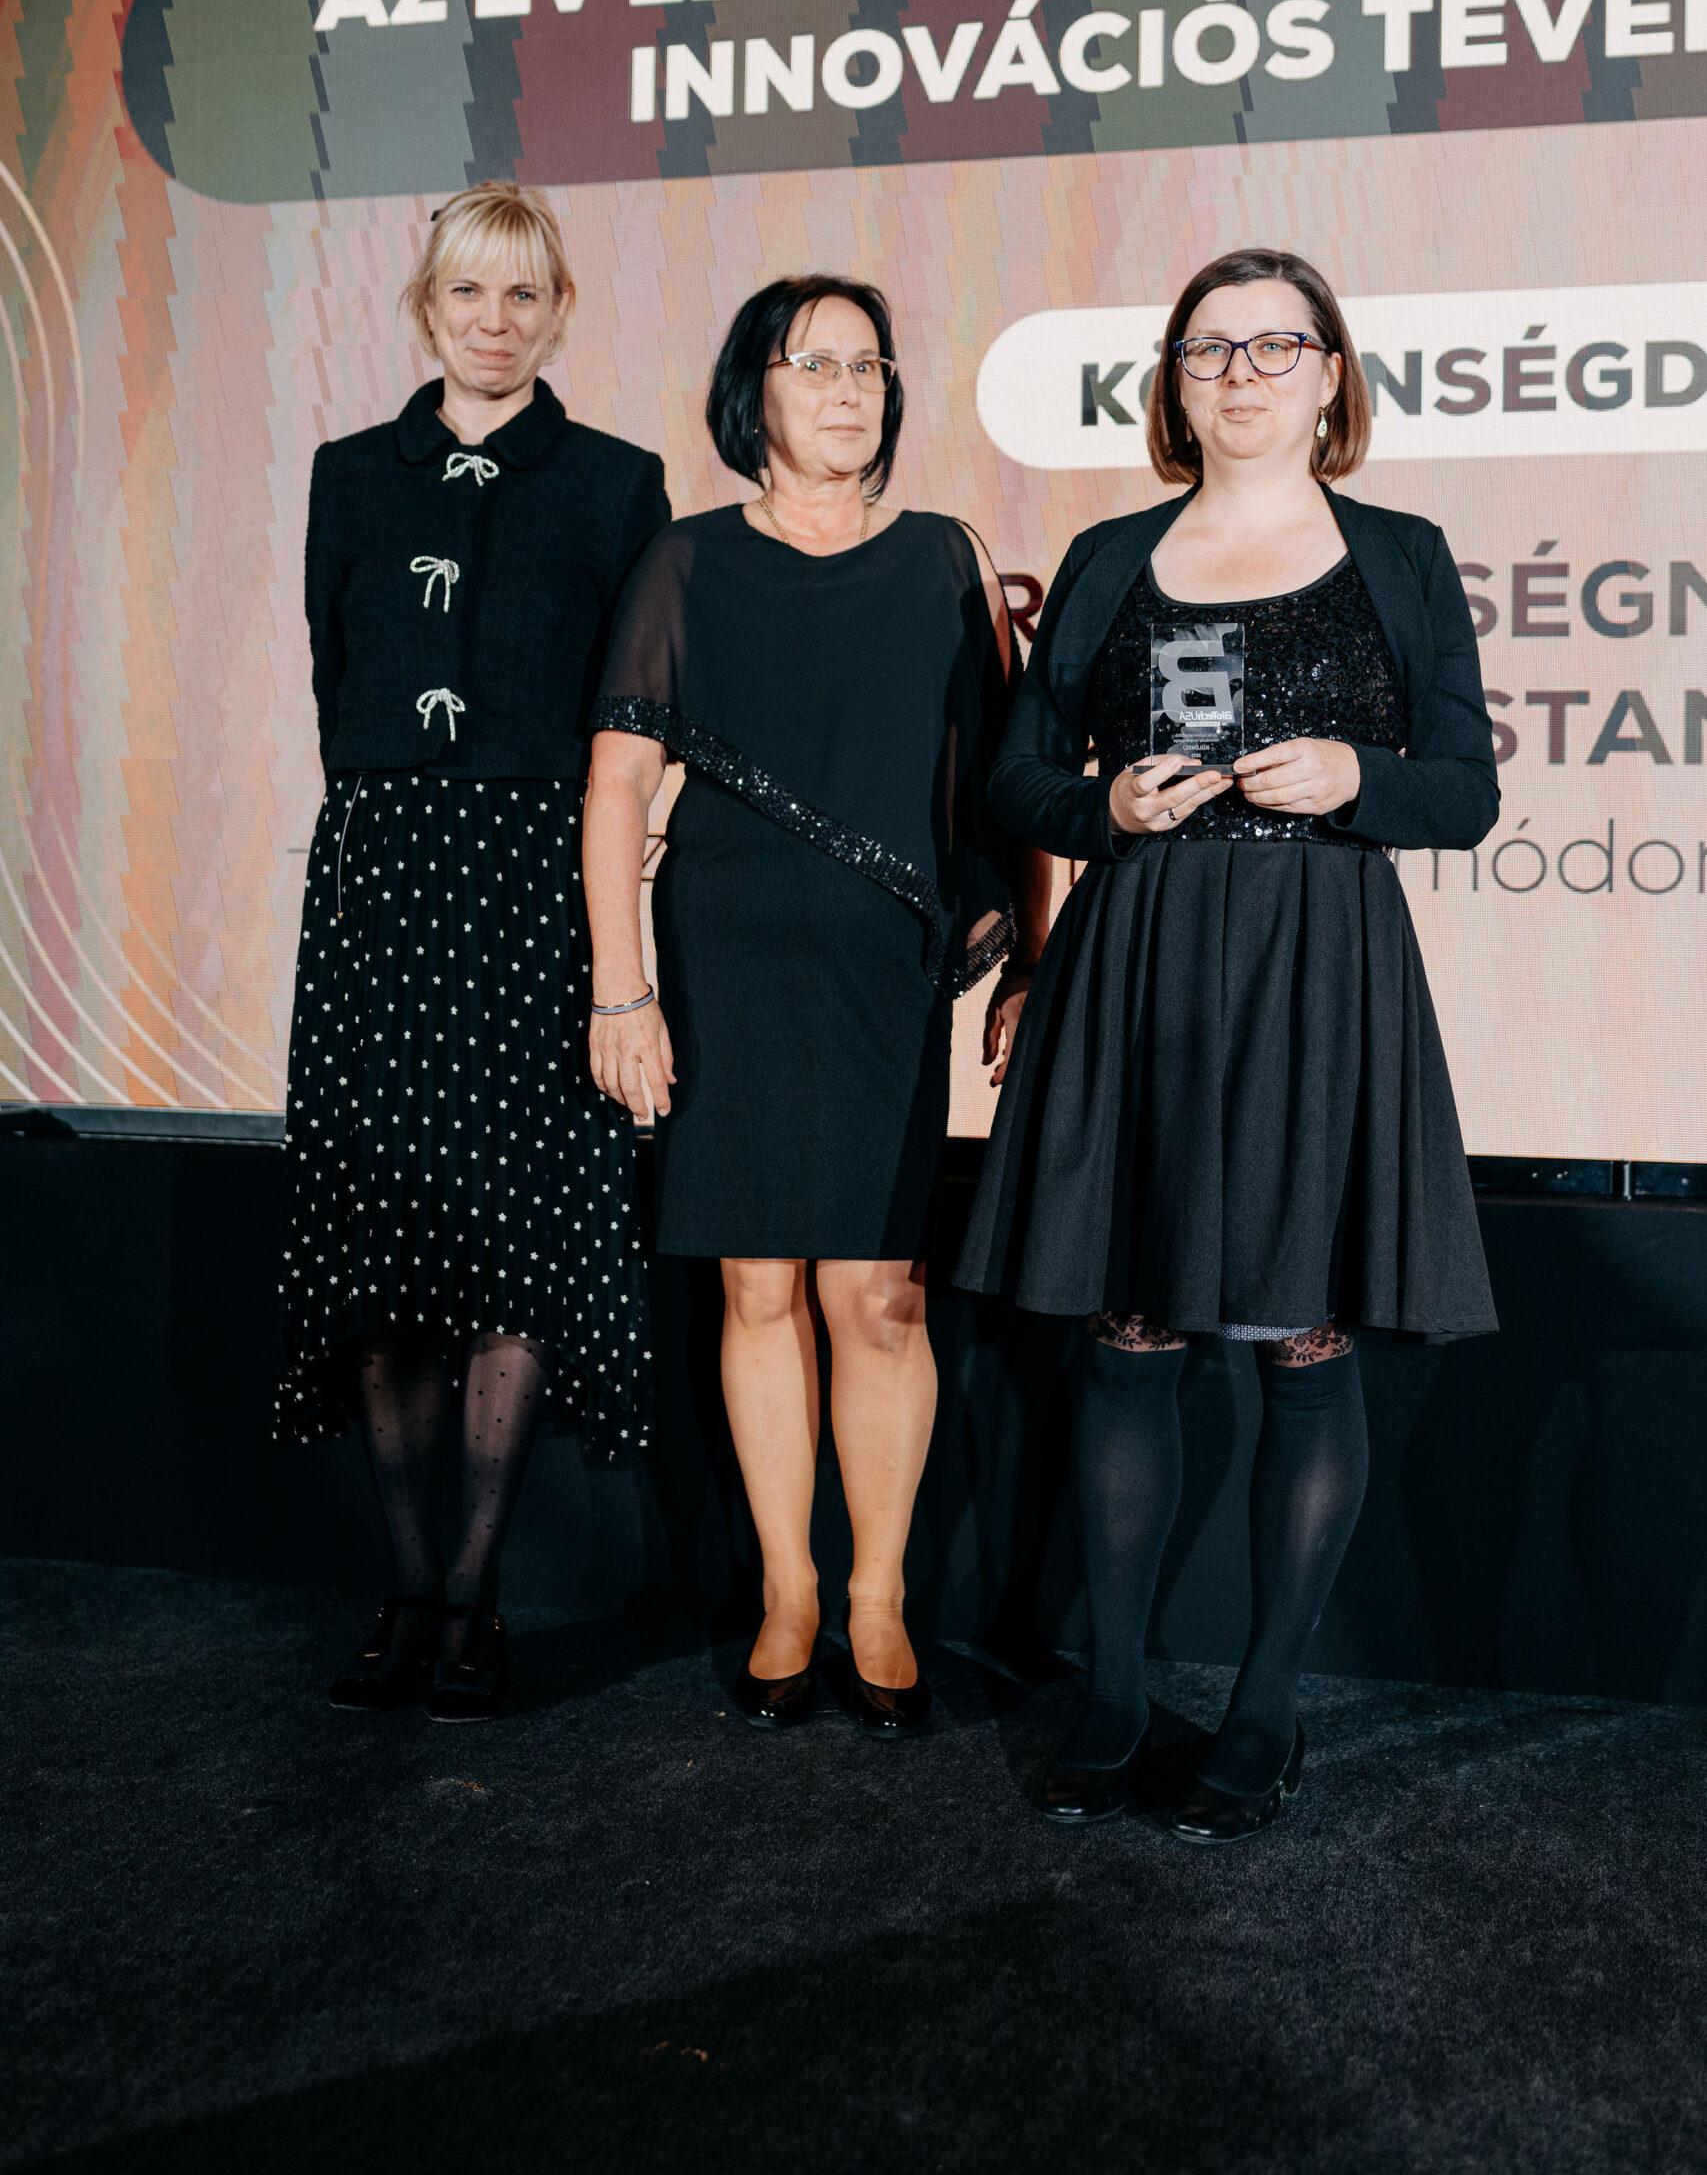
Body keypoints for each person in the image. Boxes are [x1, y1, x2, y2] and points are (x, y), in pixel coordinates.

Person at [957, 246, 1500, 1838]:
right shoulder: (1109, 554)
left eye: (1276, 346)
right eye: (1210, 350)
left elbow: (1465, 790)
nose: (1242, 373)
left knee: (1300, 1340)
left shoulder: (1401, 554)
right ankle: (1117, 1693)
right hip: (1140, 964)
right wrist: (1104, 807)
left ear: (1331, 376)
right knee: (1127, 1337)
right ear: (1173, 384)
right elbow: (1015, 781)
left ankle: (1265, 1711)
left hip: (1316, 965)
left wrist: (1359, 779)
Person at [584, 275, 1048, 1736]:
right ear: (756, 394)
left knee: (877, 1294)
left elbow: (1009, 781)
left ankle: (880, 1597)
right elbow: (615, 785)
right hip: (724, 963)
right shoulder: (687, 562)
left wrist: (1029, 959)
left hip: (879, 975)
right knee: (757, 1286)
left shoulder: (942, 558)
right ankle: (788, 1592)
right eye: (815, 365)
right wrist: (620, 988)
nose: (849, 390)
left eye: (869, 366)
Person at [277, 181, 668, 1721]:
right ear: (424, 306)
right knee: (379, 1238)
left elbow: (637, 710)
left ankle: (473, 1599)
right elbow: (338, 678)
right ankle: (400, 1585)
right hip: (382, 883)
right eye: (466, 294)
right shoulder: (348, 475)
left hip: (530, 885)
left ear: (557, 311)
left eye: (522, 296)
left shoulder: (618, 483)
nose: (493, 323)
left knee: (508, 1239)